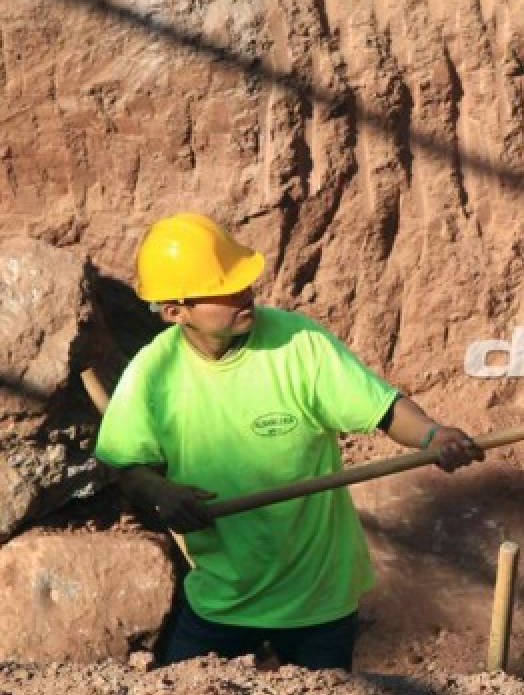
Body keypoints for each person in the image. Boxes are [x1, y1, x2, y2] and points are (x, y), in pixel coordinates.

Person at [94, 212, 484, 671]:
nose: (245, 294)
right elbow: (127, 466)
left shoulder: (297, 342)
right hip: (224, 596)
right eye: (226, 289)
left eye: (243, 281)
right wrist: (162, 493)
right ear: (175, 311)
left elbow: (384, 410)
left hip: (319, 597)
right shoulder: (153, 373)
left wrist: (432, 436)